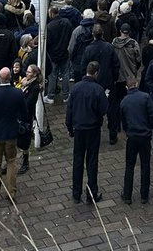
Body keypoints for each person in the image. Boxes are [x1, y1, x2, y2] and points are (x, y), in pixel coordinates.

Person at [0, 65, 29, 204]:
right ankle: (11, 193)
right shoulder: (17, 94)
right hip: (11, 133)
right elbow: (24, 113)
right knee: (11, 162)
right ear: (10, 78)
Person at [65, 60, 108, 203]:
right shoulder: (98, 90)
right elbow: (103, 109)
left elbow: (69, 110)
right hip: (93, 129)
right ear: (96, 73)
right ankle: (91, 193)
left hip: (79, 129)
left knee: (77, 160)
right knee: (92, 161)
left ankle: (76, 193)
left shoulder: (76, 88)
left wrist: (70, 128)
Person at [120, 75, 153, 204]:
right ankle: (144, 195)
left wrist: (127, 131)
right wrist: (149, 127)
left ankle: (127, 195)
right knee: (145, 165)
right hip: (145, 136)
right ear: (136, 84)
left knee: (129, 166)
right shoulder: (146, 97)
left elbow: (123, 121)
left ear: (127, 87)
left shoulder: (124, 101)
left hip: (132, 137)